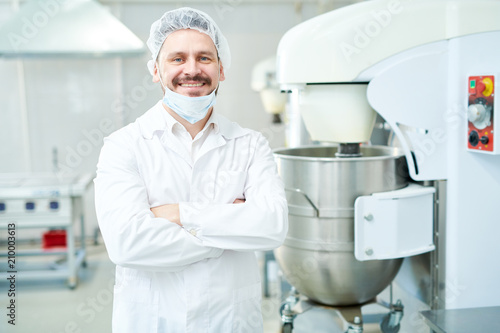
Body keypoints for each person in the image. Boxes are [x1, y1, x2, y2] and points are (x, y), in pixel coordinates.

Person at [94, 7, 288, 333]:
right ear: (156, 70)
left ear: (221, 69)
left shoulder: (250, 144)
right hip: (153, 323)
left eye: (204, 58)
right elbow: (126, 243)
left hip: (230, 322)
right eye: (177, 59)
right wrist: (230, 231)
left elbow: (272, 226)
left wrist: (179, 214)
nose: (192, 69)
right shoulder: (123, 145)